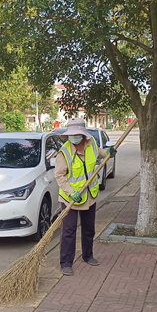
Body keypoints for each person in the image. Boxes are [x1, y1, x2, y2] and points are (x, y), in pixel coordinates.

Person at [55, 118, 116, 276]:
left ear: (83, 134)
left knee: (89, 228)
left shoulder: (91, 144)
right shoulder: (64, 152)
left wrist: (108, 153)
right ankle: (66, 263)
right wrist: (71, 192)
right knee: (69, 230)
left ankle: (87, 255)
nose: (74, 137)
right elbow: (60, 176)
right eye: (72, 134)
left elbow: (100, 153)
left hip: (89, 194)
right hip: (70, 197)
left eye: (77, 134)